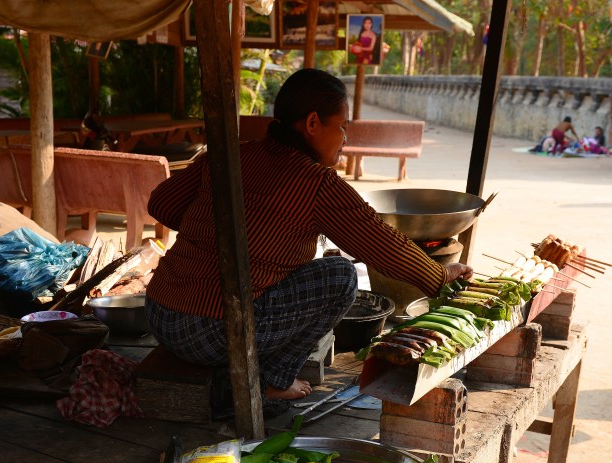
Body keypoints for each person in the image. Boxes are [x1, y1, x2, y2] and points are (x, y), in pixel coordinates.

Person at [144, 69, 473, 405]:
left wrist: (216, 233)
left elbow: (162, 205)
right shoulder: (317, 184)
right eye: (342, 126)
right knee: (341, 276)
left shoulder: (231, 154)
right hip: (209, 334)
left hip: (158, 314)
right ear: (313, 123)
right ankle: (271, 383)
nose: (345, 138)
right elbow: (384, 246)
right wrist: (441, 275)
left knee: (321, 266)